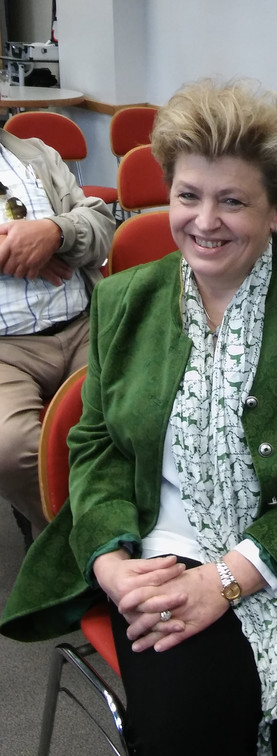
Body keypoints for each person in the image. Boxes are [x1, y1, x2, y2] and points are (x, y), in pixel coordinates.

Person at [1, 78, 277, 756]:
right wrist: (112, 564)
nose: (204, 222)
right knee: (187, 735)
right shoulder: (124, 299)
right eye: (188, 196)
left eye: (232, 200)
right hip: (168, 545)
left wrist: (229, 578)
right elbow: (98, 446)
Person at [0, 126, 115, 539]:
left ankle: (114, 517)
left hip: (82, 326)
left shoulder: (36, 155)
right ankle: (75, 539)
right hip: (6, 351)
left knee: (132, 412)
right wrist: (14, 251)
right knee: (9, 448)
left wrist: (54, 233)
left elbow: (101, 226)